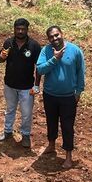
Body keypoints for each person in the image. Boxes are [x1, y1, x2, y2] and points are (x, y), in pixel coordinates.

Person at [36, 25, 85, 169]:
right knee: (51, 122)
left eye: (56, 35)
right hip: (50, 95)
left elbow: (80, 72)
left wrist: (78, 92)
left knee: (67, 126)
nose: (54, 38)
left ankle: (68, 156)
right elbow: (40, 69)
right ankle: (51, 145)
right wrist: (55, 59)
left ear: (62, 34)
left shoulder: (75, 51)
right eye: (51, 37)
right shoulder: (46, 51)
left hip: (68, 96)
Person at [0, 18, 41, 148]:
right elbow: (0, 59)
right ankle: (7, 131)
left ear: (27, 30)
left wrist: (37, 85)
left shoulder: (34, 45)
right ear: (14, 29)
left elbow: (38, 66)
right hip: (9, 84)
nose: (20, 31)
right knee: (10, 109)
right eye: (18, 29)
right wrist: (1, 57)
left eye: (23, 29)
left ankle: (26, 135)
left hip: (27, 86)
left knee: (26, 113)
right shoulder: (8, 42)